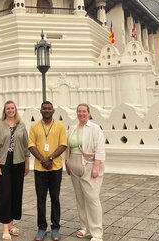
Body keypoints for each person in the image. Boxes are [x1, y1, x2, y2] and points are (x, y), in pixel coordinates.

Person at [0, 100, 30, 241]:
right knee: (5, 194)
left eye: (12, 108)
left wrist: (27, 164)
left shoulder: (21, 125)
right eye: (8, 108)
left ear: (15, 110)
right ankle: (5, 228)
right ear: (5, 110)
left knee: (15, 194)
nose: (10, 110)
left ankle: (11, 224)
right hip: (3, 163)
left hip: (18, 162)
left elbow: (26, 146)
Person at [65, 103, 105, 241]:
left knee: (92, 199)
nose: (81, 114)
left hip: (89, 165)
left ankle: (97, 233)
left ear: (88, 113)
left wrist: (96, 167)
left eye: (84, 111)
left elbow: (100, 148)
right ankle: (85, 228)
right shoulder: (72, 128)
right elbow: (68, 147)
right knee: (80, 198)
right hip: (74, 164)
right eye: (79, 111)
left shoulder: (94, 128)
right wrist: (67, 164)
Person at [28, 101, 67, 241]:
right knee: (41, 199)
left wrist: (50, 158)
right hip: (40, 169)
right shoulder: (34, 126)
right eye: (44, 108)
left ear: (53, 110)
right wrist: (43, 160)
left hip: (55, 168)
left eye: (49, 108)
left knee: (55, 198)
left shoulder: (60, 126)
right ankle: (42, 228)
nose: (47, 110)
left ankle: (55, 228)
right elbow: (31, 145)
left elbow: (63, 145)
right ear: (40, 110)